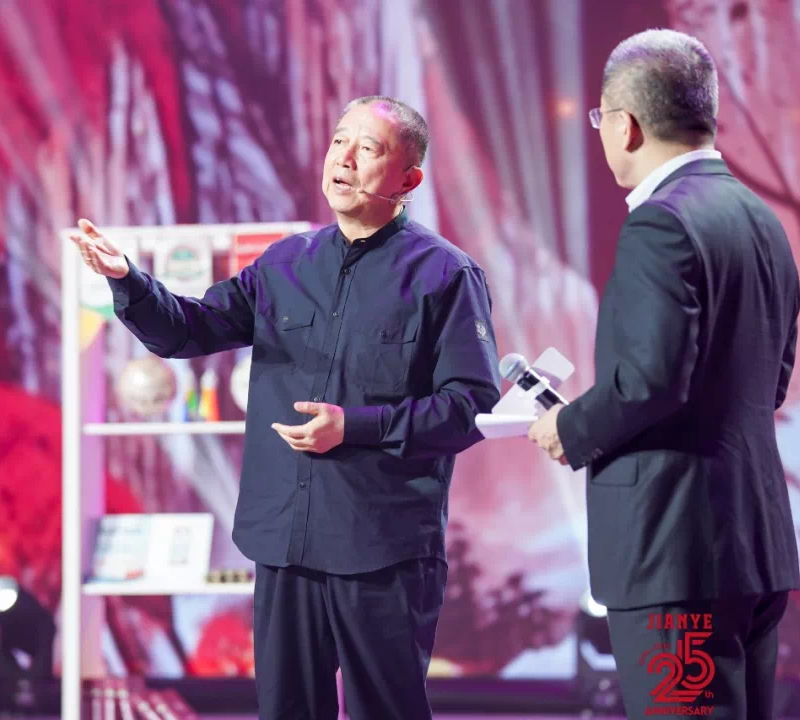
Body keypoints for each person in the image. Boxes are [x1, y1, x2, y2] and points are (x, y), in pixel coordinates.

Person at [73, 95, 501, 719]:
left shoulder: (445, 274)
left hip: (381, 548)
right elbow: (188, 331)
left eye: (368, 149)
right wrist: (127, 281)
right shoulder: (284, 263)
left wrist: (355, 428)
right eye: (339, 141)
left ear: (409, 180)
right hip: (285, 544)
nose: (344, 159)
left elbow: (469, 406)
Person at [528, 29, 800, 719]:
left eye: (600, 118)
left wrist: (569, 426)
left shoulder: (661, 223)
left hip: (677, 561)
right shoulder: (762, 221)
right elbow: (772, 381)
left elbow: (650, 381)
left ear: (625, 125)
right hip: (753, 549)